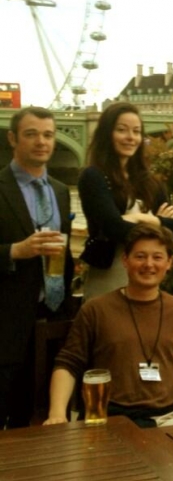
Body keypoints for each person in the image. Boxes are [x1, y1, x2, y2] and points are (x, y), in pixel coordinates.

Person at [44, 223, 173, 427]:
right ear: (125, 260)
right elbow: (68, 363)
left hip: (167, 417)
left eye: (158, 257)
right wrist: (56, 413)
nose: (149, 264)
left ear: (170, 262)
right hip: (108, 416)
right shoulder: (96, 309)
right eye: (140, 256)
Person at [0, 106, 74, 429]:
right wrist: (16, 250)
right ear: (13, 138)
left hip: (53, 318)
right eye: (31, 134)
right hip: (6, 324)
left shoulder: (59, 191)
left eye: (48, 135)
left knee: (45, 416)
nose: (41, 142)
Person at [78, 102, 173, 300]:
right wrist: (156, 222)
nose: (130, 138)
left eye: (136, 132)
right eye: (121, 130)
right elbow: (114, 228)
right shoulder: (94, 177)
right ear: (107, 134)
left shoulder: (150, 182)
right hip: (109, 275)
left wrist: (145, 219)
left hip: (148, 277)